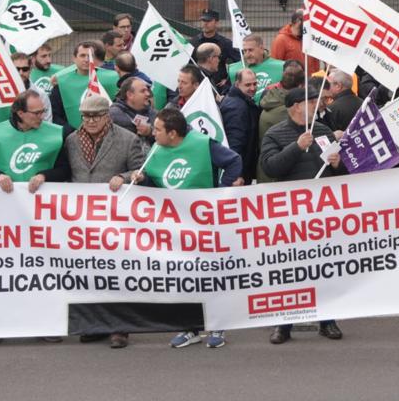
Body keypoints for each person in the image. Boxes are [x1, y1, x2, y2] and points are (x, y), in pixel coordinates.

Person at [134, 108, 241, 349]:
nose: (153, 132)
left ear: (172, 133)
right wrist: (143, 180)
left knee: (211, 274)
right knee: (183, 275)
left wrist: (220, 193)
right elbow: (155, 180)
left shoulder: (202, 143)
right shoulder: (156, 149)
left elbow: (234, 161)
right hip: (174, 225)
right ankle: (189, 328)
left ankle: (218, 326)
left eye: (158, 129)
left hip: (205, 222)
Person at [256, 88, 345, 343]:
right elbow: (270, 167)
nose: (316, 105)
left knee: (324, 269)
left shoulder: (323, 131)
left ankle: (327, 321)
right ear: (296, 105)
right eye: (311, 101)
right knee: (290, 272)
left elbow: (338, 171)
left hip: (321, 212)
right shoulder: (275, 134)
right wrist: (296, 147)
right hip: (291, 214)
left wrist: (338, 164)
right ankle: (284, 325)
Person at [65, 92, 147, 348]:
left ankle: (120, 328)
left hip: (117, 218)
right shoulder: (71, 141)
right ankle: (95, 324)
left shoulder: (128, 139)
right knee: (89, 273)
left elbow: (140, 171)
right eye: (85, 116)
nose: (89, 121)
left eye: (95, 116)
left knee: (118, 273)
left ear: (106, 116)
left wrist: (123, 177)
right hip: (83, 220)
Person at [50, 41, 119, 129]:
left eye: (90, 56)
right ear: (74, 58)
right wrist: (70, 132)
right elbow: (55, 114)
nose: (87, 59)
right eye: (82, 55)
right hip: (72, 134)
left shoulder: (112, 78)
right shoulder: (61, 82)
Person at [220, 68, 261, 183]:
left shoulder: (242, 101)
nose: (253, 88)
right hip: (239, 171)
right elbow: (235, 142)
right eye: (248, 85)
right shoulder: (237, 107)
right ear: (237, 84)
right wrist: (237, 174)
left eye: (255, 84)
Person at [197, 8, 240, 85]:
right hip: (199, 86)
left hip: (218, 87)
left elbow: (240, 62)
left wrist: (228, 80)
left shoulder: (225, 43)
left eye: (208, 21)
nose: (205, 23)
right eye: (203, 20)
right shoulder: (194, 42)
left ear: (217, 23)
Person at [110, 77, 156, 144]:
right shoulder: (113, 115)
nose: (148, 94)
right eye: (143, 91)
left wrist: (150, 132)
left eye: (147, 90)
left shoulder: (154, 114)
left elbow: (165, 140)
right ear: (130, 95)